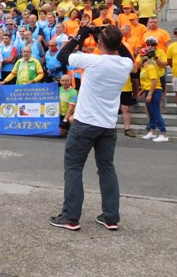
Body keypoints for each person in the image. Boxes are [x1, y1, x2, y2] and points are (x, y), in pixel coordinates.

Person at [49, 25, 134, 232]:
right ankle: (111, 217)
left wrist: (81, 34)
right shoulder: (125, 64)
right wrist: (108, 35)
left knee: (74, 168)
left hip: (85, 123)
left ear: (99, 43)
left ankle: (70, 217)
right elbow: (125, 53)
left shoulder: (92, 61)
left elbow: (62, 55)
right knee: (106, 168)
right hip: (107, 125)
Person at [138, 47, 169, 142]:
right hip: (148, 90)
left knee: (156, 112)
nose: (141, 58)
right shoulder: (145, 66)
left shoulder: (151, 67)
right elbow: (146, 80)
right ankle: (152, 132)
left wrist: (150, 94)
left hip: (155, 91)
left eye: (143, 56)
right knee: (151, 112)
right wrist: (143, 90)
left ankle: (164, 134)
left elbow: (154, 81)